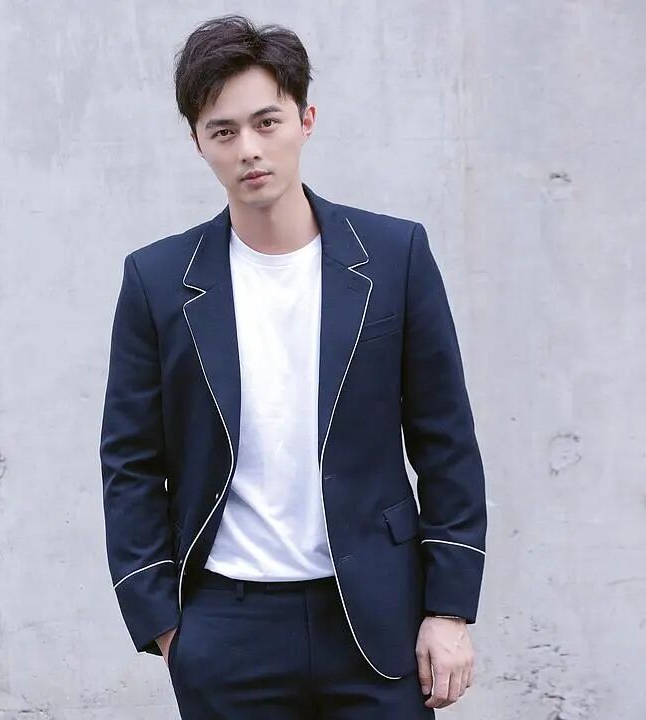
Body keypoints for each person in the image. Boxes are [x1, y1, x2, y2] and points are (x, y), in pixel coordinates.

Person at [99, 14, 487, 719]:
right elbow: (130, 461)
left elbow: (446, 440)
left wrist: (450, 609)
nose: (249, 149)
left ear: (306, 120)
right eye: (223, 131)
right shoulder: (158, 282)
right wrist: (168, 628)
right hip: (227, 627)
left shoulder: (393, 258)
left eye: (266, 122)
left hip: (376, 618)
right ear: (197, 142)